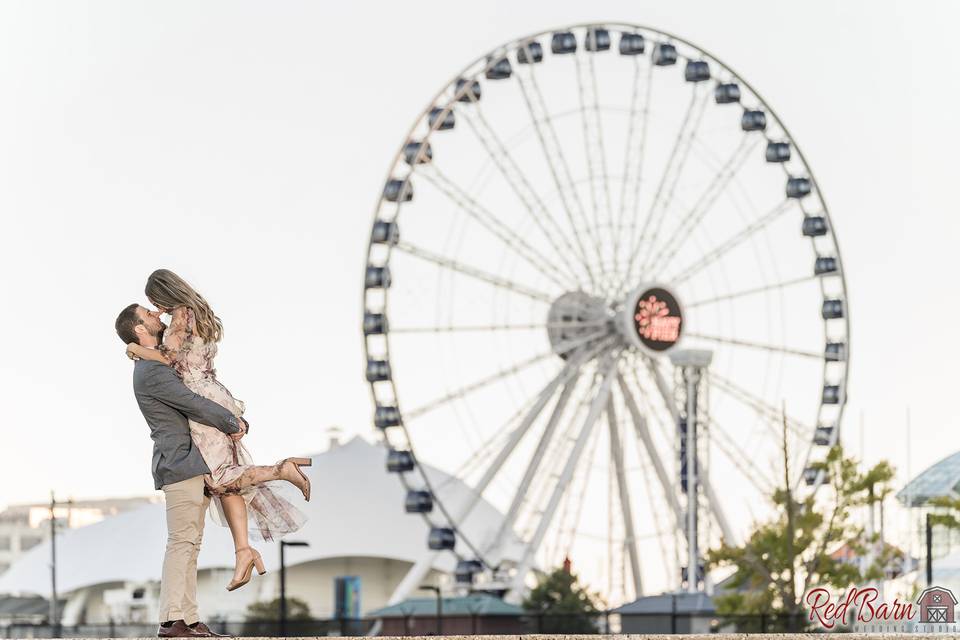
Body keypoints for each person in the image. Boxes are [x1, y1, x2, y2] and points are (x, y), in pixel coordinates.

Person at [121, 273, 310, 593]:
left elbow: (167, 359)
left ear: (164, 294)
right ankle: (243, 553)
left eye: (154, 301)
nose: (154, 309)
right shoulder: (199, 312)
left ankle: (282, 469)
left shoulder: (180, 317)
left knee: (220, 477)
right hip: (217, 393)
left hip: (203, 405)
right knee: (224, 482)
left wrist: (134, 348)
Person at [116, 303, 239, 637]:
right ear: (139, 329)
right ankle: (172, 621)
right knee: (182, 542)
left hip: (187, 462)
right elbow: (191, 402)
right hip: (179, 462)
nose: (157, 316)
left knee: (191, 544)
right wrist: (232, 421)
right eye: (149, 315)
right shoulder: (151, 371)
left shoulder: (153, 361)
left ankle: (190, 619)